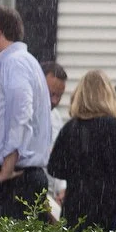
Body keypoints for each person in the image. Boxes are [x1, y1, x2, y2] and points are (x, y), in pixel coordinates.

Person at [0, 7, 54, 219]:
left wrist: (6, 171)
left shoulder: (15, 63)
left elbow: (21, 115)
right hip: (22, 177)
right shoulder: (26, 62)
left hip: (13, 181)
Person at [48, 70, 116, 232]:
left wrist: (80, 173)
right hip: (108, 210)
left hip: (75, 209)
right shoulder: (114, 127)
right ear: (108, 95)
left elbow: (55, 167)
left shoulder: (71, 127)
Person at [42, 61, 69, 207]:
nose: (55, 101)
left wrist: (63, 188)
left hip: (52, 198)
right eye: (51, 94)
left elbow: (59, 156)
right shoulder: (25, 114)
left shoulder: (56, 117)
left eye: (60, 95)